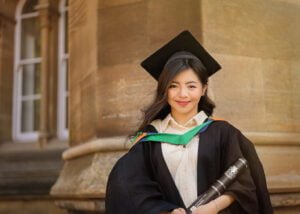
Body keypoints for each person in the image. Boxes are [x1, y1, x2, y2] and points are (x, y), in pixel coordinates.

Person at [105, 30, 273, 214]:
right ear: (164, 90)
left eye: (191, 86)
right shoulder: (149, 139)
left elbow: (246, 184)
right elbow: (128, 188)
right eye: (173, 86)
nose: (183, 94)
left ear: (203, 89)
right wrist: (165, 211)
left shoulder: (224, 133)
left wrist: (213, 207)